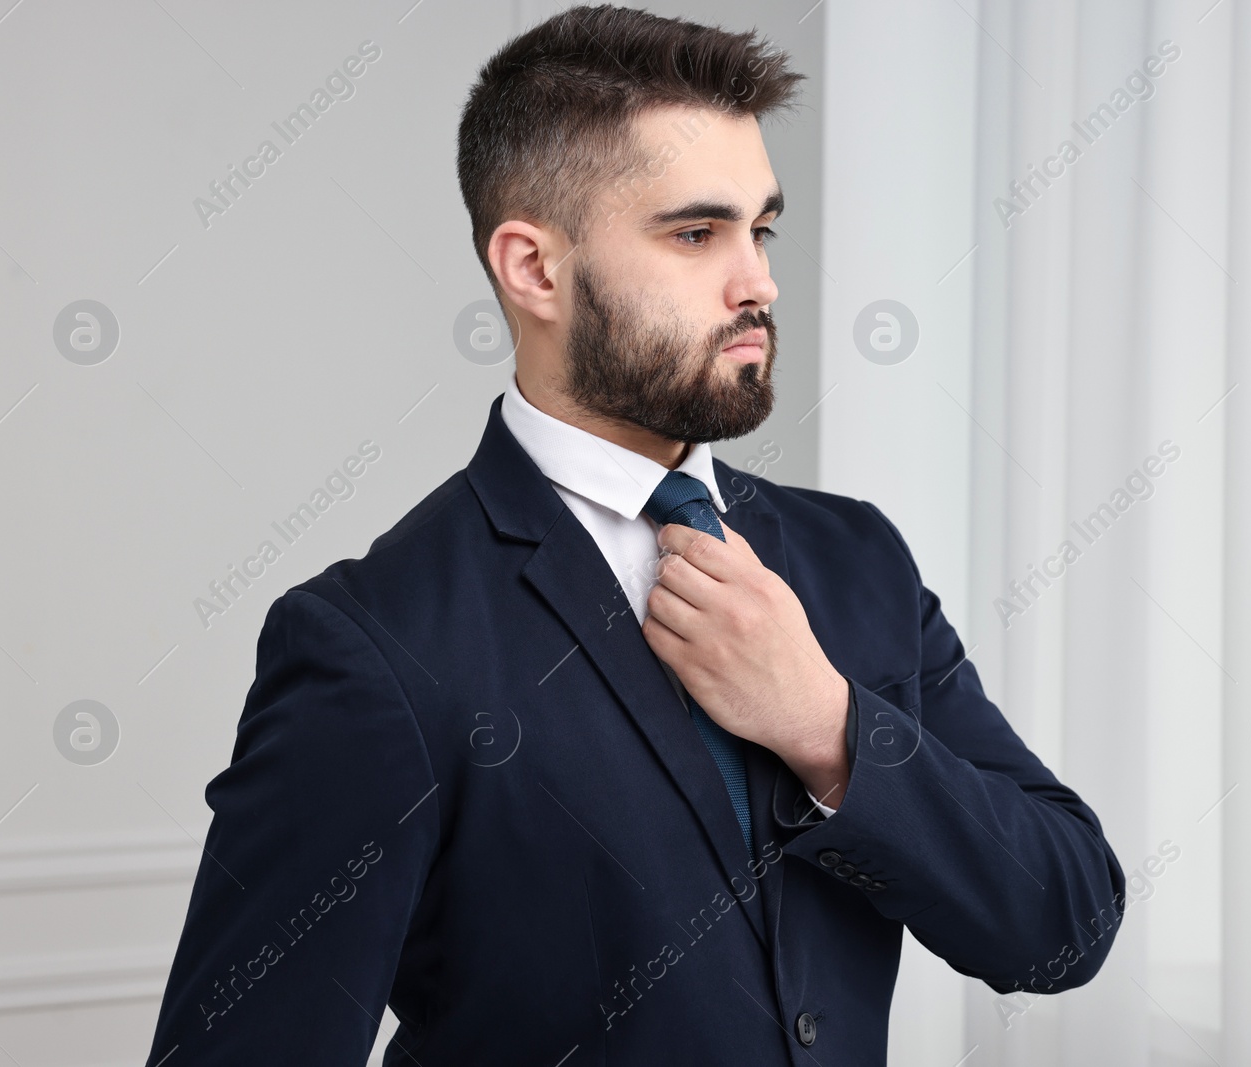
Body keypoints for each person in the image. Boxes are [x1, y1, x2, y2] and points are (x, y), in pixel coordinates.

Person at [144, 6, 1125, 1064]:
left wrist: (827, 725)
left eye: (763, 228)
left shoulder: (857, 560)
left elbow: (1061, 924)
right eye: (697, 233)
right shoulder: (373, 644)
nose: (758, 281)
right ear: (533, 269)